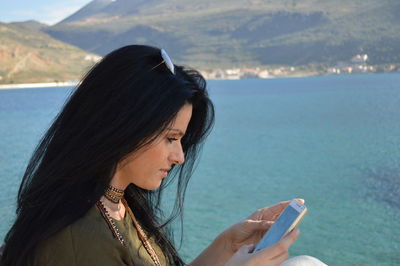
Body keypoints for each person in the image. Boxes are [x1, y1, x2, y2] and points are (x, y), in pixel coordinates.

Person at [0, 45, 326, 266]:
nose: (180, 157)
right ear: (124, 125)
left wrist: (226, 246)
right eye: (171, 138)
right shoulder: (79, 240)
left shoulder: (115, 206)